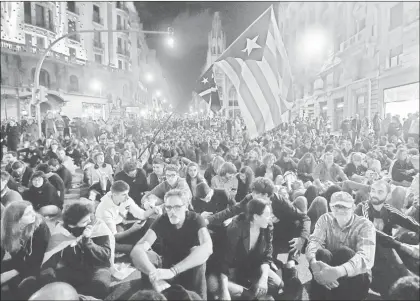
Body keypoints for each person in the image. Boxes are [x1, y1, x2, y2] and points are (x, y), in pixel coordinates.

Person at [130, 189, 213, 299]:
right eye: (168, 207)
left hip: (189, 269)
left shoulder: (196, 219)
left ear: (186, 206)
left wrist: (173, 271)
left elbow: (207, 248)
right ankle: (151, 293)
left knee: (198, 254)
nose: (172, 212)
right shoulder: (162, 220)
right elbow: (137, 249)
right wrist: (154, 275)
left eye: (177, 207)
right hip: (166, 268)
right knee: (148, 255)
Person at [306, 191, 376, 300]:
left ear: (353, 207)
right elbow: (314, 242)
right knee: (320, 253)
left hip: (355, 277)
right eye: (336, 207)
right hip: (328, 271)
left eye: (344, 207)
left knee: (344, 253)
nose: (340, 210)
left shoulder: (365, 225)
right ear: (330, 207)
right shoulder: (325, 219)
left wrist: (338, 271)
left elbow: (366, 257)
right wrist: (313, 263)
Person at [355, 180, 419, 298]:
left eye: (380, 192)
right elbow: (371, 232)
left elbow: (408, 221)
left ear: (388, 195)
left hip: (387, 250)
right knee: (384, 244)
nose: (374, 194)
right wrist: (402, 246)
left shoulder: (389, 209)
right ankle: (407, 276)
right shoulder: (362, 208)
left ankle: (408, 274)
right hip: (365, 251)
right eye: (373, 191)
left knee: (410, 236)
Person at [208, 199, 283, 300]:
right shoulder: (236, 228)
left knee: (277, 284)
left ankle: (249, 291)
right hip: (231, 270)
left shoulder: (267, 227)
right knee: (214, 284)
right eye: (267, 215)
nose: (270, 219)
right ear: (256, 217)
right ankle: (249, 294)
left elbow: (267, 256)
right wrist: (224, 291)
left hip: (251, 268)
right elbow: (224, 263)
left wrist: (264, 278)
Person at [39, 200, 113, 299]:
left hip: (97, 268)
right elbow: (50, 260)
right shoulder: (62, 231)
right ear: (72, 225)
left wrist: (87, 241)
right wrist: (48, 275)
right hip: (73, 269)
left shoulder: (97, 226)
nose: (89, 223)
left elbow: (105, 255)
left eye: (89, 218)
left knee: (100, 287)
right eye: (84, 221)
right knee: (48, 282)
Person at [1, 201, 51, 300]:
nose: (34, 214)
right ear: (16, 219)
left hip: (39, 263)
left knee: (20, 286)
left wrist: (9, 274)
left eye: (32, 210)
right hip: (20, 260)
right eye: (28, 213)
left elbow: (36, 259)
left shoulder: (40, 227)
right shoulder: (7, 228)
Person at [95, 180, 160, 254]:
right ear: (114, 195)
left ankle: (155, 248)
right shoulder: (104, 209)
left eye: (127, 194)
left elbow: (142, 215)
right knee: (132, 248)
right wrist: (132, 229)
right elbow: (114, 236)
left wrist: (153, 210)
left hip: (121, 226)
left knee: (150, 222)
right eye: (124, 194)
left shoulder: (125, 199)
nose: (127, 197)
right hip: (105, 235)